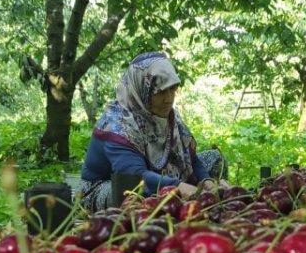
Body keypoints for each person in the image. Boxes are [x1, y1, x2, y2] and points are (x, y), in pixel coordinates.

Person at [79, 52, 227, 211]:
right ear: (142, 90)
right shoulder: (116, 126)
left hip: (155, 175)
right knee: (134, 194)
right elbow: (136, 176)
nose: (169, 99)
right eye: (160, 92)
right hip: (113, 185)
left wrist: (206, 181)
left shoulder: (169, 116)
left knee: (213, 158)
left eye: (172, 89)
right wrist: (179, 187)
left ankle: (181, 201)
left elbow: (191, 160)